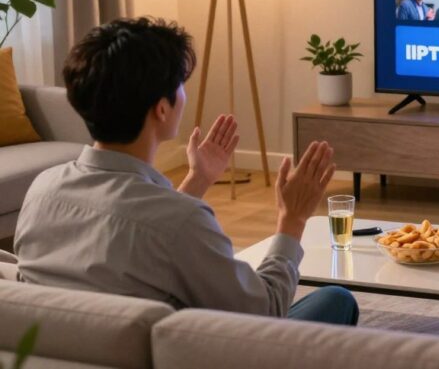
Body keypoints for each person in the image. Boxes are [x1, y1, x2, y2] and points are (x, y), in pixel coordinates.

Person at [14, 17, 359, 326]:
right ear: (162, 110)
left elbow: (138, 234)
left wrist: (197, 181)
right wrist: (292, 220)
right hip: (193, 355)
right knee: (335, 300)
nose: (184, 92)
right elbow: (265, 312)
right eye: (180, 83)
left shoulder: (42, 190)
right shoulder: (180, 221)